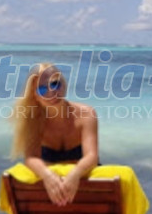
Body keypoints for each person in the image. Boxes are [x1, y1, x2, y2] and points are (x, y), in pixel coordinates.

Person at [10, 63, 99, 206]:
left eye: (55, 84)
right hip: (52, 196)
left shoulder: (86, 114)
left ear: (64, 84)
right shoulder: (33, 120)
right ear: (34, 95)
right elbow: (31, 157)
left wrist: (75, 174)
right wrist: (47, 176)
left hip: (87, 193)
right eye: (42, 89)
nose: (52, 92)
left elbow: (92, 156)